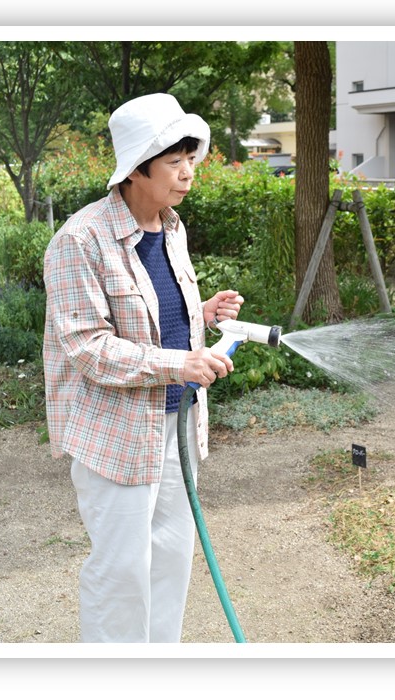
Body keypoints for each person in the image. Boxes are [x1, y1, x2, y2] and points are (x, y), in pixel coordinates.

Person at [42, 93, 244, 643]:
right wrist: (179, 361)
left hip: (174, 427)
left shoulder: (171, 229)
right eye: (174, 161)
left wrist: (199, 315)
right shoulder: (78, 241)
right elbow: (88, 346)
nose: (187, 173)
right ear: (135, 169)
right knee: (122, 574)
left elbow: (148, 317)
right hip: (116, 435)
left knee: (171, 559)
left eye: (191, 159)